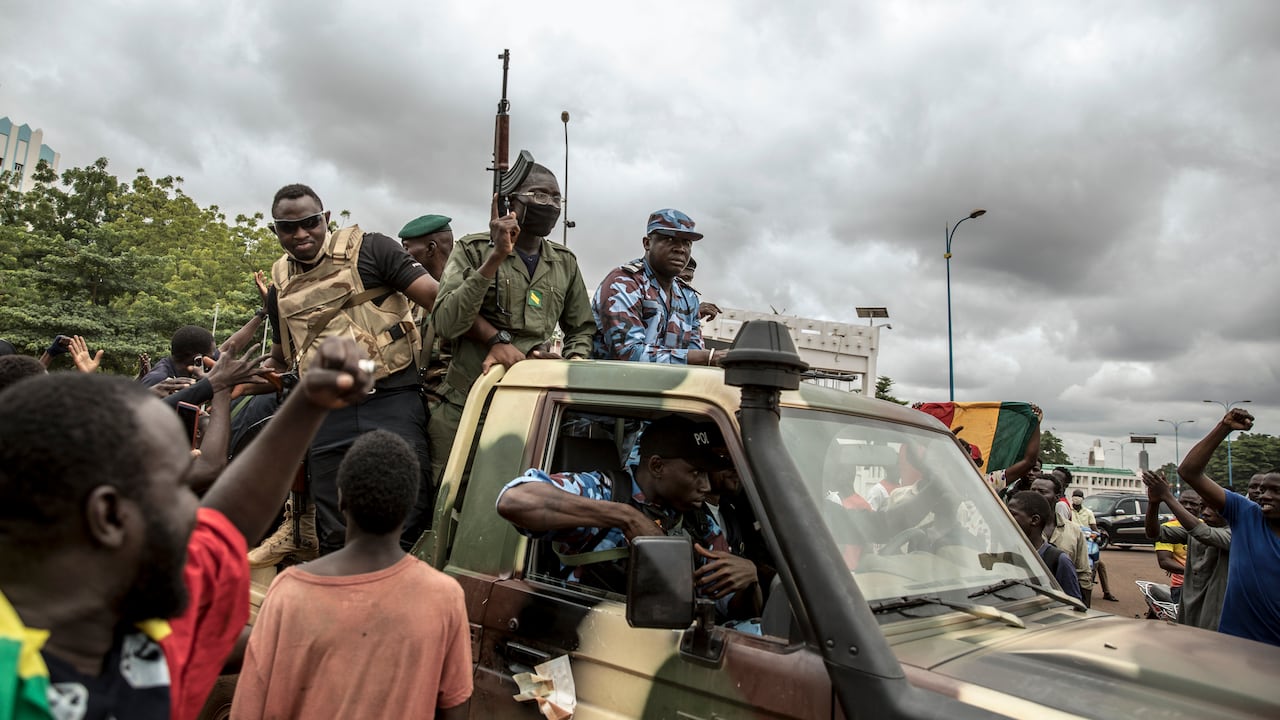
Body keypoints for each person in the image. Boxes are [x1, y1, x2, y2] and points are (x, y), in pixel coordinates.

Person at [0, 336, 374, 720]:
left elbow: (227, 520)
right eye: (179, 485)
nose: (198, 511)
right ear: (109, 516)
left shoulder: (129, 622)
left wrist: (310, 401)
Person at [232, 430, 472, 719]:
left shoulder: (290, 592)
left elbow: (249, 708)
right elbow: (455, 709)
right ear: (411, 505)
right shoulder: (444, 596)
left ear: (341, 498)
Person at [262, 183, 439, 558]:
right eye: (288, 228)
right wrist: (235, 379)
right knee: (335, 530)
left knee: (408, 514)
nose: (301, 234)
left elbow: (438, 301)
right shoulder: (280, 281)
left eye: (310, 222)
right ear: (275, 231)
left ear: (325, 218)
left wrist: (497, 340)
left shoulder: (372, 249)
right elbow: (281, 355)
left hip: (392, 396)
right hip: (328, 412)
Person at [431, 155, 595, 482]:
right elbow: (447, 322)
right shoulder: (473, 250)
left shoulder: (564, 262)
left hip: (529, 411)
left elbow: (582, 328)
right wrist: (496, 257)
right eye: (539, 196)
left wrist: (569, 365)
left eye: (556, 199)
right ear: (510, 202)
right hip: (468, 406)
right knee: (451, 498)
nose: (551, 206)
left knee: (516, 499)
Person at [496, 416, 753, 605]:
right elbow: (515, 499)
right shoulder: (606, 491)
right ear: (657, 467)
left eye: (707, 474)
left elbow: (727, 610)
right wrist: (627, 517)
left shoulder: (699, 521)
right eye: (696, 473)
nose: (706, 485)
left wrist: (748, 579)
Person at [1177, 408, 1280, 647]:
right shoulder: (1247, 514)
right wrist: (1224, 427)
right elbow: (1189, 471)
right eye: (1263, 489)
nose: (1264, 496)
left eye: (1276, 491)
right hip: (1233, 645)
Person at [592, 209, 719, 366]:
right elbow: (628, 353)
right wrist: (708, 357)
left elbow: (695, 354)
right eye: (669, 239)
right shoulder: (624, 283)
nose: (680, 249)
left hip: (667, 381)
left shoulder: (688, 297)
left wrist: (712, 359)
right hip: (613, 380)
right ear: (647, 243)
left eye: (686, 243)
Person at [398, 213, 460, 478]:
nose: (402, 256)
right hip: (413, 405)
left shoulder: (462, 293)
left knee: (440, 478)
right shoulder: (409, 294)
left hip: (447, 408)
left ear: (431, 248)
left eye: (406, 248)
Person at [1142, 470, 1231, 631]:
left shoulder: (1233, 534)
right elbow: (1153, 533)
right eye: (1203, 507)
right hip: (1189, 604)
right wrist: (1154, 503)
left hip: (1216, 610)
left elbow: (1204, 534)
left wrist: (1167, 496)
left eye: (1213, 508)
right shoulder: (1194, 531)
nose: (1206, 512)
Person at [1007, 491, 1083, 601]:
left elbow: (1073, 604)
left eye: (1012, 514)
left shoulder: (1058, 560)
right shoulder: (1007, 552)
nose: (1006, 518)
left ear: (1034, 520)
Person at [1030, 476, 1093, 605]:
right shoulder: (1020, 529)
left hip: (1063, 604)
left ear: (1057, 497)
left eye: (1042, 492)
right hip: (1029, 601)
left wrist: (1085, 608)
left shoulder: (1074, 531)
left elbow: (1083, 574)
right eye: (1033, 490)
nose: (1035, 496)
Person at [1071, 489, 1118, 601]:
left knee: (1100, 564)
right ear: (1072, 498)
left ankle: (1107, 592)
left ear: (1082, 499)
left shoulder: (1088, 512)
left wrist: (1099, 534)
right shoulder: (1068, 511)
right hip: (1072, 541)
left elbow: (1094, 528)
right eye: (1075, 496)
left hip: (1087, 542)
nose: (1077, 498)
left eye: (1079, 496)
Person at [139, 326, 216, 387]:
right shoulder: (158, 380)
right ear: (197, 360)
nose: (211, 363)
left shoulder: (172, 372)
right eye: (210, 358)